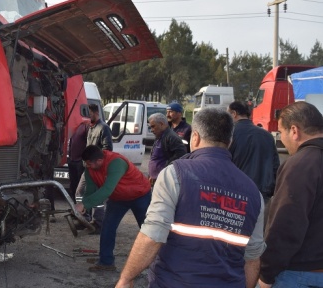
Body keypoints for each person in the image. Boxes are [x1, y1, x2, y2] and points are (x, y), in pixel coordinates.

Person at [115, 107, 265, 288]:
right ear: (230, 141)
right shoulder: (253, 193)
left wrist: (126, 278)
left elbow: (153, 234)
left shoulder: (175, 174)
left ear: (195, 137)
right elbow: (253, 257)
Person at [259, 102, 323, 287]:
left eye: (281, 133)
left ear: (294, 130)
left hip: (300, 273)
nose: (282, 140)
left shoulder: (301, 164)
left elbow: (286, 222)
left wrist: (266, 273)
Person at [75, 145, 151, 273]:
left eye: (89, 164)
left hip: (140, 195)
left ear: (99, 161)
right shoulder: (90, 169)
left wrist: (85, 204)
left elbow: (106, 190)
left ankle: (157, 261)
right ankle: (106, 262)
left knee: (148, 230)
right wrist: (84, 206)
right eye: (86, 163)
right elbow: (91, 190)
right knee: (107, 228)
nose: (87, 166)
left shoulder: (116, 163)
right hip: (118, 198)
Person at [228, 100, 280, 209]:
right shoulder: (267, 136)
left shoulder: (229, 135)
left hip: (236, 192)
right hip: (263, 193)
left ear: (233, 113)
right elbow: (275, 166)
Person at [147, 113, 186, 186]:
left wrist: (162, 172)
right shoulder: (159, 136)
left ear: (161, 124)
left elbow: (181, 154)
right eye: (150, 127)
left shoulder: (171, 137)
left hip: (164, 181)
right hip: (155, 180)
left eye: (153, 126)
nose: (151, 130)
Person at [67, 120, 90, 201]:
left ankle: (84, 209)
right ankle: (74, 207)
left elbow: (90, 143)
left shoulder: (85, 126)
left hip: (80, 162)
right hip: (71, 160)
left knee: (81, 188)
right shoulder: (72, 126)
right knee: (73, 186)